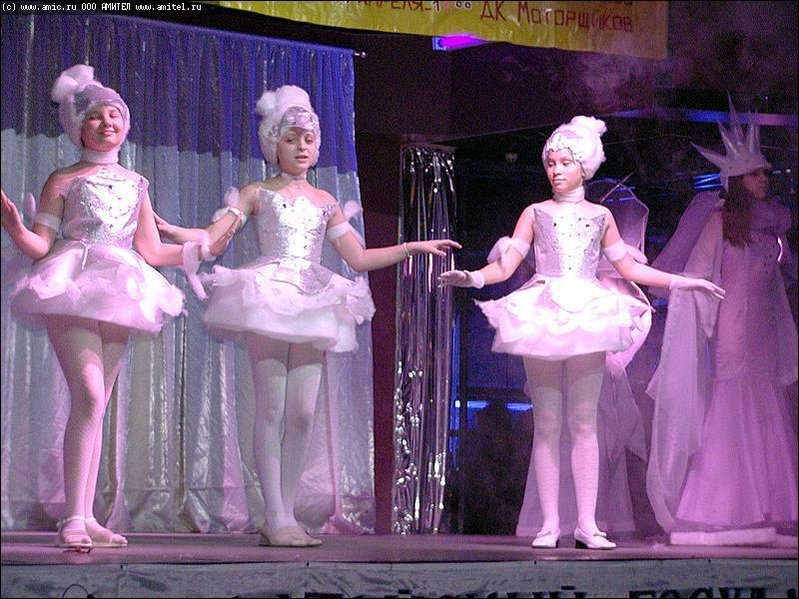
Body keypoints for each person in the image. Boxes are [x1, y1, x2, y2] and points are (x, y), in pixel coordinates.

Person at [156, 85, 460, 547]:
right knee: (272, 407)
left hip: (314, 298)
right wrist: (179, 233)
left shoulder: (325, 202)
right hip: (268, 294)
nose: (301, 147)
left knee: (301, 413)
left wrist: (411, 247)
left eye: (309, 139)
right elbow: (215, 239)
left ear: (317, 148)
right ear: (274, 144)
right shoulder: (257, 193)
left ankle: (286, 511)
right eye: (292, 138)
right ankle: (275, 516)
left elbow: (357, 257)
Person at [439, 116, 724, 550]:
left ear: (584, 167)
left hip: (588, 310)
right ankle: (550, 523)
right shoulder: (534, 214)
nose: (555, 170)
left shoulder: (601, 216)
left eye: (565, 163)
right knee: (547, 423)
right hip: (543, 310)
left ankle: (588, 524)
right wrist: (474, 278)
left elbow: (630, 269)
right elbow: (506, 264)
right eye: (551, 163)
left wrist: (684, 282)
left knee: (584, 422)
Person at [0, 65, 232, 550]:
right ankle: (72, 517)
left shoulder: (136, 183)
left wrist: (202, 249)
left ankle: (86, 515)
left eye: (115, 115)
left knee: (98, 404)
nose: (107, 122)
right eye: (96, 116)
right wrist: (16, 227)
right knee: (88, 395)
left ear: (125, 125)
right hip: (73, 281)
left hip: (122, 285)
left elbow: (152, 250)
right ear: (78, 126)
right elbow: (41, 245)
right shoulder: (64, 178)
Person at [646, 101, 798, 546]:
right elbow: (697, 272)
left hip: (764, 332)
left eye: (764, 172)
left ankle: (765, 507)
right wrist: (696, 308)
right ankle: (719, 505)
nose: (763, 179)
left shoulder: (772, 228)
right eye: (754, 173)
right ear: (736, 180)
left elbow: (780, 276)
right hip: (733, 328)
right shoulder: (718, 223)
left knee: (765, 406)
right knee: (732, 406)